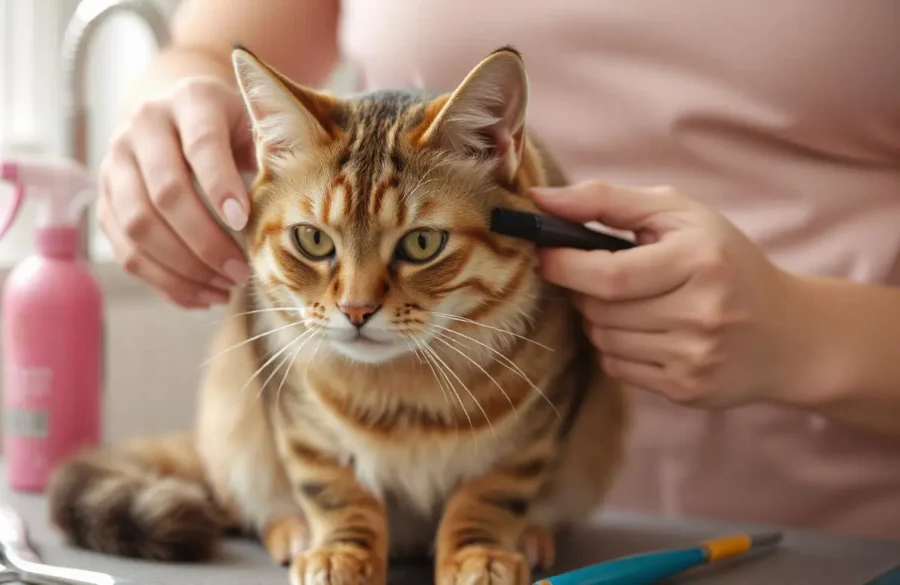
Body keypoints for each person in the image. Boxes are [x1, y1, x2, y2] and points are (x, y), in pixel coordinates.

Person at [95, 0, 900, 541]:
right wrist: (171, 114)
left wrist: (805, 338)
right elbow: (208, 52)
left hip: (833, 537)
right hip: (384, 489)